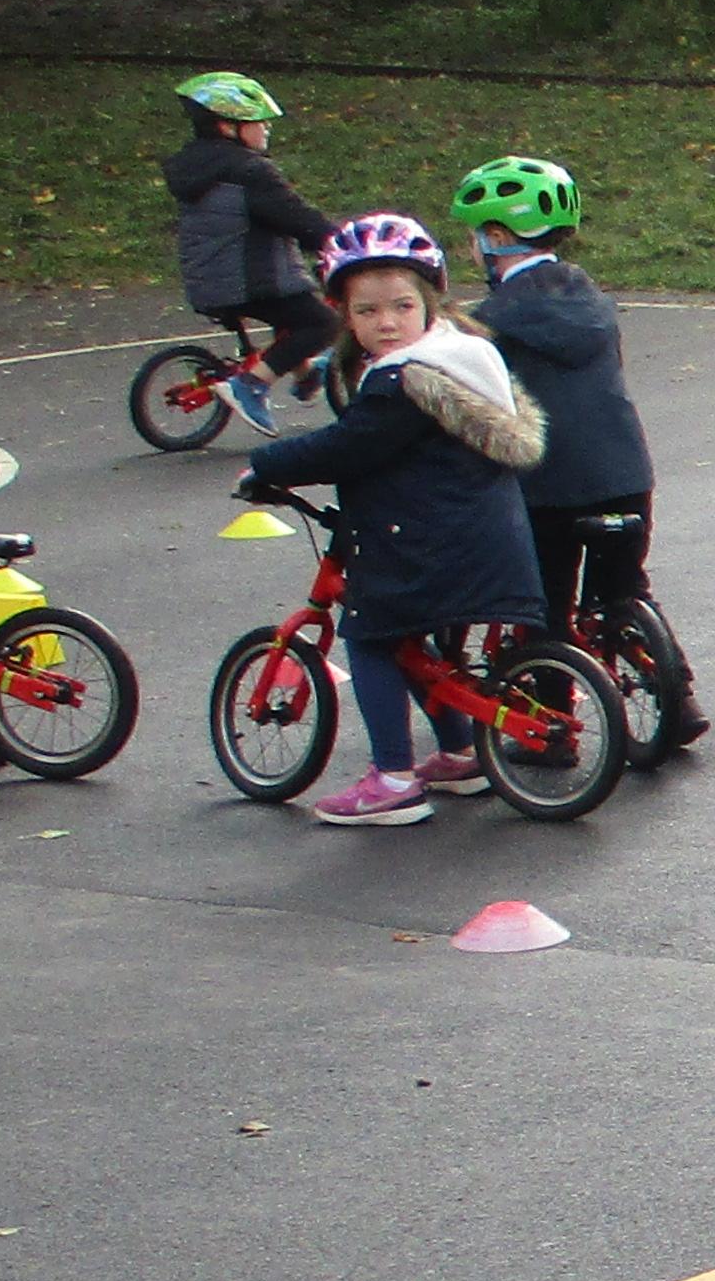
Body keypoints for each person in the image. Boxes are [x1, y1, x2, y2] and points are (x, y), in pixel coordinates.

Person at [235, 214, 550, 824]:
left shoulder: (404, 381)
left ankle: (393, 780)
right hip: (486, 539)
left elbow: (347, 446)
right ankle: (460, 753)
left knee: (369, 637)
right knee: (412, 640)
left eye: (402, 306)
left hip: (424, 545)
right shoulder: (468, 357)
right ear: (346, 316)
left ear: (429, 303)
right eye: (368, 311)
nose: (386, 323)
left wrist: (265, 465)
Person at [456, 154, 699, 754]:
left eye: (474, 234)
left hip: (549, 485)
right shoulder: (593, 301)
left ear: (495, 238)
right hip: (626, 473)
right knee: (624, 589)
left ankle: (552, 726)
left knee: (544, 606)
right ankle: (679, 698)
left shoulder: (487, 322)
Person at [163, 73, 338, 437]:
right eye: (259, 122)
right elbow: (294, 216)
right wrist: (338, 240)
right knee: (323, 323)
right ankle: (251, 385)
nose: (266, 129)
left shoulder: (197, 168)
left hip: (210, 279)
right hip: (250, 281)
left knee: (294, 306)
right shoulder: (249, 171)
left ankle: (305, 371)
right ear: (228, 127)